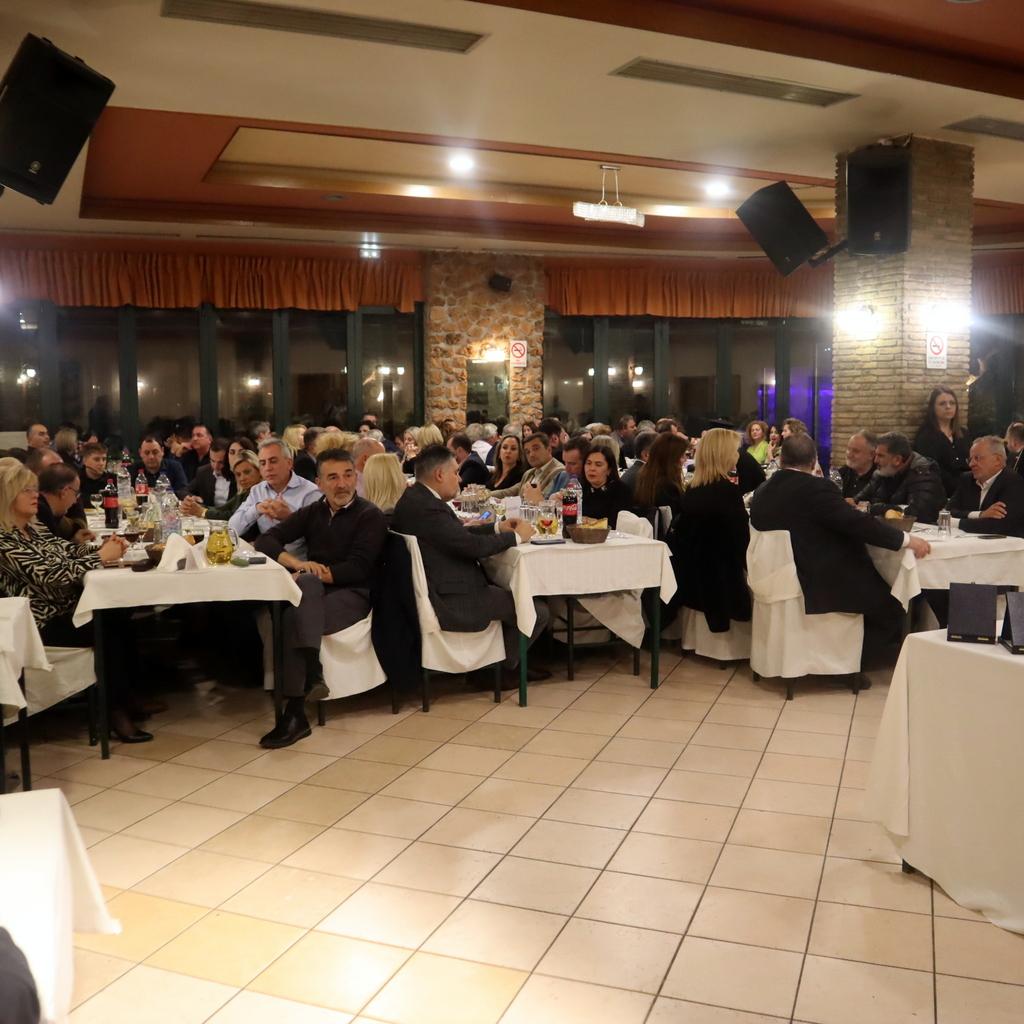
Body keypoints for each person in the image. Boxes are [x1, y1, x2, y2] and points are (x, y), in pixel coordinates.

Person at [749, 434, 930, 666]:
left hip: (772, 574)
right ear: (813, 461)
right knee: (893, 603)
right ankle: (852, 663)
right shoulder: (816, 488)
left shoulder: (763, 489)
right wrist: (905, 539)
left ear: (781, 459)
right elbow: (857, 523)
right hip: (813, 578)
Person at [0, 463, 150, 741]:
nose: (35, 495)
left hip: (64, 609)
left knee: (120, 615)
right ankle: (114, 712)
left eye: (34, 488)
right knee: (108, 629)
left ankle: (127, 699)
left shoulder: (32, 528)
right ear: (7, 495)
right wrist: (101, 557)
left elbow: (65, 551)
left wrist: (100, 548)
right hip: (37, 623)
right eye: (26, 490)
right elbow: (49, 574)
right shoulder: (4, 539)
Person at [254, 449, 388, 748]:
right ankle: (309, 682)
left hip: (354, 595)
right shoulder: (314, 511)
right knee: (299, 599)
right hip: (315, 594)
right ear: (319, 483)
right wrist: (297, 563)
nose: (342, 484)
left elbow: (358, 568)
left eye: (348, 475)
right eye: (333, 477)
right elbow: (266, 540)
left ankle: (296, 708)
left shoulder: (369, 515)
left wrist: (312, 573)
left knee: (297, 605)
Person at [391, 445, 549, 686]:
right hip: (452, 598)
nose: (460, 479)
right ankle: (499, 670)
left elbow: (456, 536)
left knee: (514, 590)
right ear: (439, 474)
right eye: (455, 472)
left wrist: (497, 528)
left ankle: (496, 664)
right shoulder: (428, 508)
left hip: (440, 585)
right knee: (538, 610)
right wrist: (517, 537)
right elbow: (470, 546)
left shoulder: (415, 499)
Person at [668, 427, 751, 634]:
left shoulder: (693, 489)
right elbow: (742, 541)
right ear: (724, 455)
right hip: (720, 578)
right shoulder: (726, 492)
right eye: (734, 451)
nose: (737, 455)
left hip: (693, 576)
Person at [228, 438, 321, 552]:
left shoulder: (311, 492)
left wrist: (290, 518)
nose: (268, 468)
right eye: (263, 463)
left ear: (289, 463)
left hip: (296, 561)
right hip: (265, 558)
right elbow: (232, 528)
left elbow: (320, 538)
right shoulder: (257, 490)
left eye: (273, 461)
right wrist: (256, 509)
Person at [855, 432, 945, 524]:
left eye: (881, 456)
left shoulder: (923, 474)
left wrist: (875, 508)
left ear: (897, 460)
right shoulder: (882, 472)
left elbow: (917, 515)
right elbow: (858, 501)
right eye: (876, 455)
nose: (875, 460)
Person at [949, 435, 1024, 538]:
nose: (971, 464)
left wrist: (955, 523)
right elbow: (948, 511)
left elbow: (997, 526)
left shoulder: (1014, 483)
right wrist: (980, 514)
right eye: (970, 459)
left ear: (997, 460)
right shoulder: (967, 479)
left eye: (977, 458)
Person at [914, 386, 970, 497]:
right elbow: (930, 468)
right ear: (933, 408)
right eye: (942, 404)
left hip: (966, 488)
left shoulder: (963, 433)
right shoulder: (926, 436)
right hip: (941, 491)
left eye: (952, 403)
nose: (948, 407)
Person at [182, 450, 260, 520]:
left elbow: (232, 515)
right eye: (238, 474)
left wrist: (203, 512)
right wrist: (193, 506)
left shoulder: (260, 491)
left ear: (259, 469)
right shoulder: (243, 492)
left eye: (247, 472)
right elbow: (221, 509)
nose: (242, 478)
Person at [489, 432, 566, 502]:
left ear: (549, 449)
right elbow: (510, 492)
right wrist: (486, 495)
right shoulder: (529, 473)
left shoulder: (559, 472)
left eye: (536, 449)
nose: (531, 454)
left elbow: (545, 502)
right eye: (527, 452)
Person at [36, 464, 94, 544]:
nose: (75, 501)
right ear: (64, 492)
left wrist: (73, 541)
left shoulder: (46, 508)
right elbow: (51, 550)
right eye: (76, 494)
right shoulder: (41, 511)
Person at [633, 432, 687, 517]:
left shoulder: (644, 476)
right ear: (671, 459)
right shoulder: (668, 487)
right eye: (682, 456)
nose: (685, 460)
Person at [579, 446, 631, 527]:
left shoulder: (621, 491)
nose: (592, 468)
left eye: (598, 465)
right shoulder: (579, 488)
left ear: (609, 470)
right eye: (588, 463)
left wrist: (589, 521)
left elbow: (615, 523)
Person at [187, 438, 234, 508]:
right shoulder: (203, 472)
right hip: (207, 513)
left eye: (221, 462)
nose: (216, 466)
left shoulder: (238, 474)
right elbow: (184, 491)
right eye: (212, 461)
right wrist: (193, 498)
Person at [362, 452, 407, 523]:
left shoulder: (362, 514)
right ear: (395, 478)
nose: (404, 477)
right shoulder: (403, 515)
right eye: (401, 472)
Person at [839, 430, 878, 500]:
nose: (849, 455)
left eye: (856, 451)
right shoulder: (842, 473)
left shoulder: (880, 479)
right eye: (848, 449)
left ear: (872, 455)